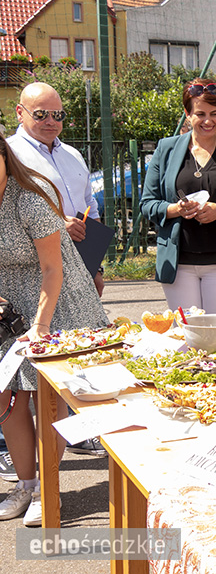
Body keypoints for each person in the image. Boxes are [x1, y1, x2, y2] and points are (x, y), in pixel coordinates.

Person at [0, 133, 108, 526]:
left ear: (3, 157)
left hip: (54, 299)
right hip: (5, 304)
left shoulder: (29, 199)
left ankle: (47, 488)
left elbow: (52, 268)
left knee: (45, 396)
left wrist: (40, 326)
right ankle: (25, 484)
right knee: (5, 396)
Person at [141, 78, 216, 314]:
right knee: (186, 332)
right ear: (187, 114)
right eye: (200, 114)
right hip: (179, 262)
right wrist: (176, 210)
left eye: (215, 114)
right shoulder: (165, 149)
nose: (208, 121)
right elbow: (147, 203)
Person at [7, 82, 105, 297]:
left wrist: (96, 268)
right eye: (41, 114)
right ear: (20, 113)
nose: (51, 121)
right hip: (32, 276)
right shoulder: (8, 155)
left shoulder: (73, 155)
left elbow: (90, 209)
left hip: (79, 270)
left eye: (57, 115)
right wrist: (55, 228)